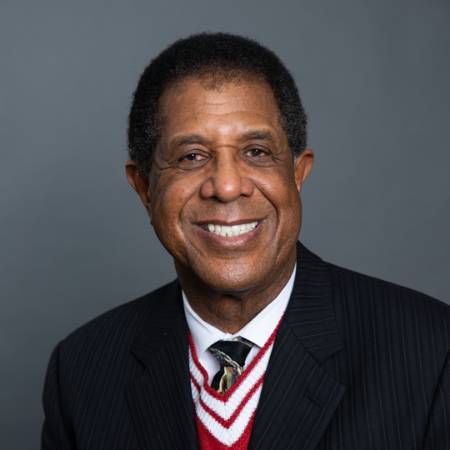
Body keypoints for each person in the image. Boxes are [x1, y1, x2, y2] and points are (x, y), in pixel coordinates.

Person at [41, 32, 450, 450]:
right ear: (145, 188)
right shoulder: (81, 370)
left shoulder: (431, 352)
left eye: (256, 151)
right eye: (191, 156)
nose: (227, 186)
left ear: (297, 173)